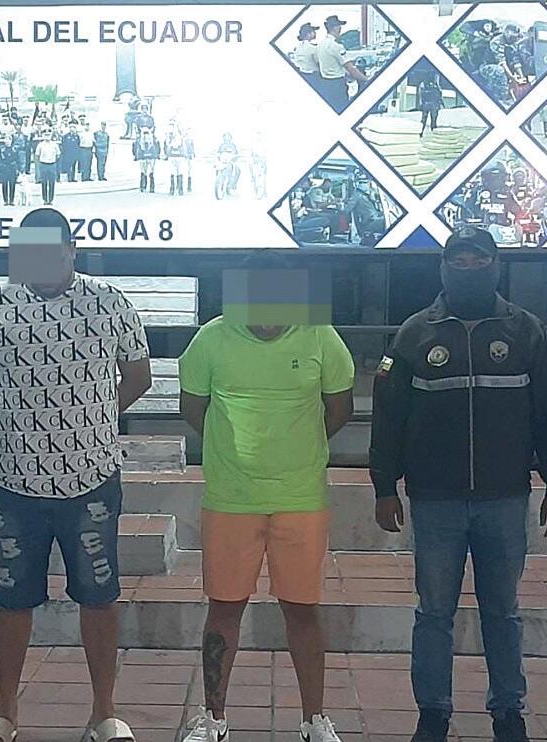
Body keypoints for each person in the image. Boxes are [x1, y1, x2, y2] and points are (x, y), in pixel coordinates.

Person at [369, 227, 547, 742]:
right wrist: (383, 485)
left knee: (502, 613)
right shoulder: (415, 334)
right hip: (435, 500)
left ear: (496, 265)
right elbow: (389, 418)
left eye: (478, 259)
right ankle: (433, 714)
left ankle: (508, 712)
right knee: (433, 614)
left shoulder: (526, 331)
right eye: (458, 259)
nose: (468, 267)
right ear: (443, 267)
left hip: (504, 499)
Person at [0, 208, 153, 742]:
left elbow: (137, 374)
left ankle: (104, 713)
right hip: (13, 482)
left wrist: (91, 420)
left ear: (72, 249)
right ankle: (4, 712)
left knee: (99, 596)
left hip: (91, 480)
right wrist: (19, 422)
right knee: (11, 599)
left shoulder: (109, 301)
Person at [177, 254, 355, 742]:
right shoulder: (211, 337)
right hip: (231, 499)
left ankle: (314, 720)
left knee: (302, 610)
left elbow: (339, 408)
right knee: (224, 608)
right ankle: (213, 719)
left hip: (300, 498)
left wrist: (297, 449)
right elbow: (193, 408)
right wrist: (235, 453)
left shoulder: (320, 335)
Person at [316, 15, 368, 114]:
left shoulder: (320, 45)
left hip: (325, 83)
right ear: (336, 28)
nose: (340, 28)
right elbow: (351, 69)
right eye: (339, 26)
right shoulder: (336, 46)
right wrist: (366, 79)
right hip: (337, 86)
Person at [33, 128, 60, 205]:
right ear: (43, 136)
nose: (47, 136)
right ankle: (45, 199)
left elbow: (58, 155)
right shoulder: (40, 145)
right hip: (43, 165)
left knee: (52, 183)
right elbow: (37, 155)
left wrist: (53, 161)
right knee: (44, 183)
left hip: (52, 165)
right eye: (45, 135)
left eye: (48, 135)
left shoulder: (54, 145)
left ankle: (50, 200)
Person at [293, 22, 321, 91]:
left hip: (303, 75)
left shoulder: (297, 48)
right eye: (313, 31)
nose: (315, 33)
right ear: (308, 34)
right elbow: (320, 62)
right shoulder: (312, 47)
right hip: (314, 77)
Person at [0, 133, 19, 206]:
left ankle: (11, 200)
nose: (7, 141)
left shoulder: (15, 149)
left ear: (11, 141)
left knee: (12, 184)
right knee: (4, 184)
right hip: (4, 168)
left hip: (12, 168)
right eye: (6, 139)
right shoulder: (1, 149)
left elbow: (18, 159)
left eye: (9, 139)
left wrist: (18, 169)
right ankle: (5, 200)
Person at [133, 126, 160, 193]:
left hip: (151, 156)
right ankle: (143, 185)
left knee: (156, 141)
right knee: (136, 142)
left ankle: (151, 187)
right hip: (142, 156)